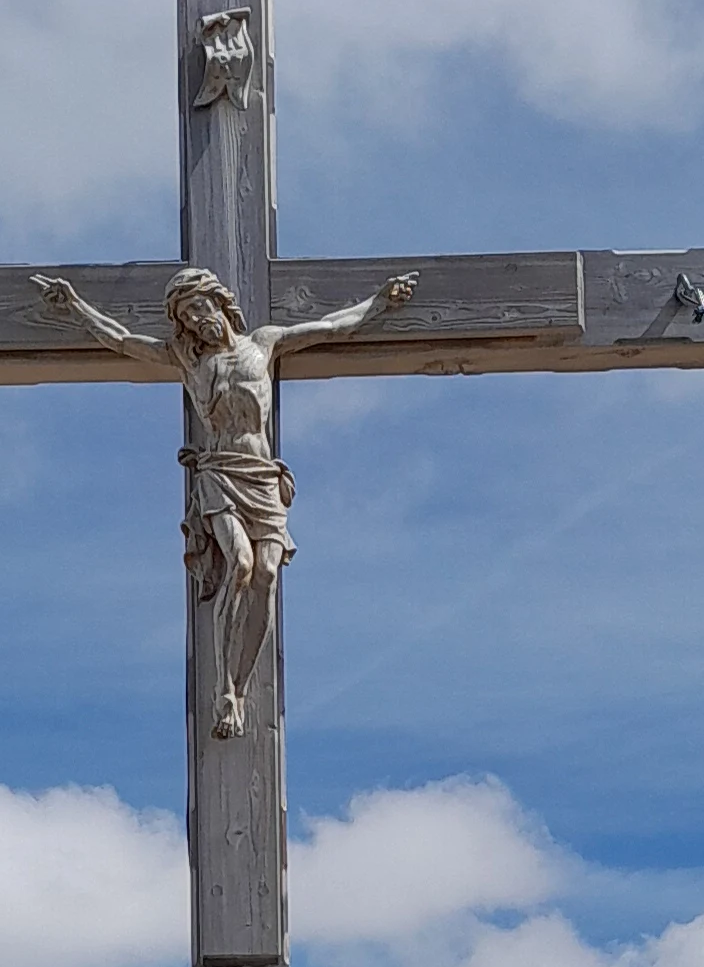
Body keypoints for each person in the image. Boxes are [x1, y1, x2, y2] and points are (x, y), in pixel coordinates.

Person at [31, 261, 416, 738]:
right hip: (219, 474)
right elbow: (121, 339)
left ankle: (243, 680)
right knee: (239, 564)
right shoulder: (188, 360)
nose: (196, 320)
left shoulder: (265, 343)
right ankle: (225, 690)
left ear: (219, 302)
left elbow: (333, 325)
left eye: (199, 308)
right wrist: (75, 308)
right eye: (187, 316)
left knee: (268, 573)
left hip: (261, 476)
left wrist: (381, 302)